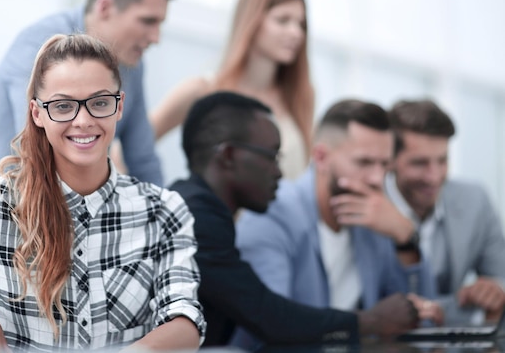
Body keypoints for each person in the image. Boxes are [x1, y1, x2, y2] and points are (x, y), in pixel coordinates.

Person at [0, 34, 205, 352]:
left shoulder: (164, 209)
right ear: (37, 113)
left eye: (100, 102)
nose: (84, 121)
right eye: (63, 106)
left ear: (119, 107)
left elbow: (185, 318)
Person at [169, 91, 419, 348]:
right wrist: (370, 321)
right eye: (271, 156)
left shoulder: (198, 209)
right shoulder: (196, 218)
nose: (279, 172)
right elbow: (268, 317)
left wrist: (406, 238)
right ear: (229, 155)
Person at [232, 99, 439, 349]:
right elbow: (271, 328)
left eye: (384, 165)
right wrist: (368, 322)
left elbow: (422, 327)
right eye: (364, 163)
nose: (376, 179)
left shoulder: (374, 220)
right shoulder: (273, 215)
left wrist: (406, 238)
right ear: (321, 157)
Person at [0, 0, 173, 190]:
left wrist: (162, 217)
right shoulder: (38, 46)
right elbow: (38, 151)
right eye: (148, 21)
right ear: (105, 7)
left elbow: (143, 161)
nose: (155, 38)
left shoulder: (130, 64)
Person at [151, 0, 314, 180]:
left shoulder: (298, 99)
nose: (296, 33)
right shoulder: (203, 91)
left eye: (301, 24)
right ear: (252, 20)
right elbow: (131, 149)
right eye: (283, 20)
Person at [386, 98, 505, 323]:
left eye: (442, 161)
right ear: (389, 159)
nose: (434, 176)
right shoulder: (369, 208)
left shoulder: (475, 200)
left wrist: (495, 290)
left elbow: (501, 277)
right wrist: (456, 310)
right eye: (420, 163)